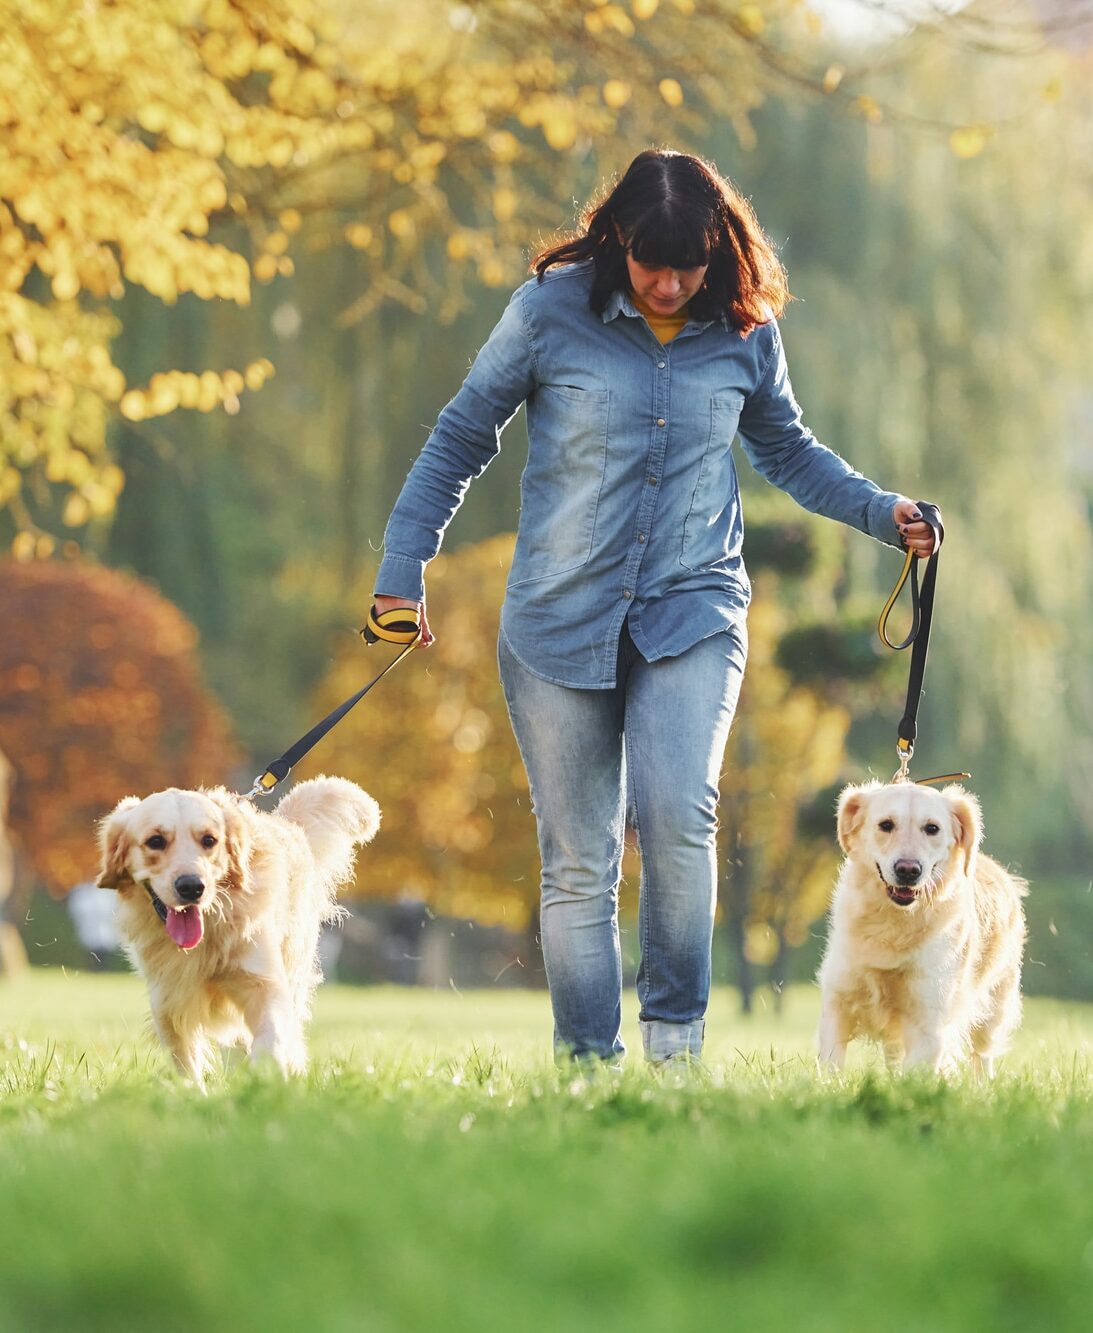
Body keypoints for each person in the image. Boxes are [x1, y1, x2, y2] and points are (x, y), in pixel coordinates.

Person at [372, 148, 937, 1066]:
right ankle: (588, 1066)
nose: (670, 284)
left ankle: (673, 1050)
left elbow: (785, 449)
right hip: (558, 616)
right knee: (580, 859)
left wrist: (885, 513)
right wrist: (404, 563)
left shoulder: (744, 328)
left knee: (678, 814)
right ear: (617, 240)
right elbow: (462, 432)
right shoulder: (550, 311)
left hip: (692, 606)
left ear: (719, 253)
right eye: (650, 264)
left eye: (690, 266)